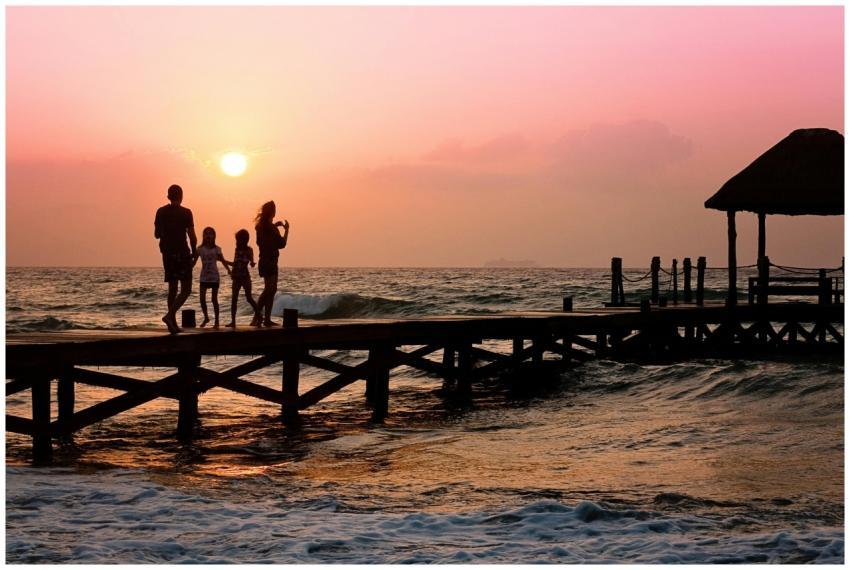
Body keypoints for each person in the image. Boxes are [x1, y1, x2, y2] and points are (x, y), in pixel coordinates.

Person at [154, 184, 197, 334]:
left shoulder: (160, 212)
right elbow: (192, 236)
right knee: (186, 289)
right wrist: (194, 253)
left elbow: (156, 234)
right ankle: (170, 316)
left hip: (167, 254)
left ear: (168, 197)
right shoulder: (186, 213)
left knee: (172, 289)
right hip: (182, 253)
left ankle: (172, 324)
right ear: (182, 196)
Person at [252, 201, 290, 327]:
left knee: (271, 290)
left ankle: (265, 319)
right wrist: (286, 230)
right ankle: (257, 317)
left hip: (265, 260)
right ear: (273, 212)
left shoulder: (262, 226)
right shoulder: (270, 228)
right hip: (270, 261)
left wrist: (275, 225)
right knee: (269, 289)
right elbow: (282, 244)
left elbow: (265, 239)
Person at [194, 227, 232, 328]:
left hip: (214, 277)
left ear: (214, 236)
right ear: (203, 236)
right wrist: (187, 269)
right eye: (206, 234)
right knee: (202, 299)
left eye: (210, 234)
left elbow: (223, 260)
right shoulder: (199, 249)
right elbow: (193, 262)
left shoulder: (217, 249)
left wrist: (229, 270)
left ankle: (217, 322)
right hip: (204, 277)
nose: (208, 236)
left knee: (214, 299)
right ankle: (206, 317)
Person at [225, 229, 259, 328]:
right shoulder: (237, 250)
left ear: (244, 240)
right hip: (236, 277)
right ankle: (233, 322)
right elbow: (235, 264)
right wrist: (224, 261)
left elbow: (251, 262)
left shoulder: (249, 250)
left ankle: (259, 316)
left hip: (245, 277)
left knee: (249, 298)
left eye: (238, 240)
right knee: (234, 299)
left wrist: (252, 263)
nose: (237, 242)